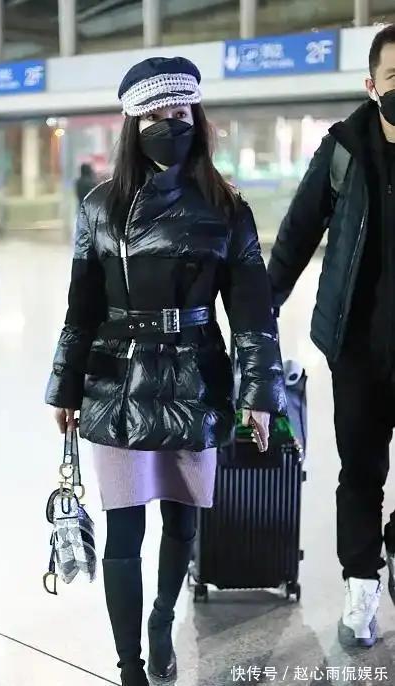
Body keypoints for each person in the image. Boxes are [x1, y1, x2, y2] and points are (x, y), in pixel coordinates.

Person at [46, 56, 285, 686]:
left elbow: (253, 313)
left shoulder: (227, 207)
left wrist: (259, 395)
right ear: (132, 123)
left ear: (196, 117)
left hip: (195, 377)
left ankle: (160, 620)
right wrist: (64, 384)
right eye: (153, 114)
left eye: (178, 112)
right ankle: (129, 664)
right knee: (123, 530)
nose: (167, 124)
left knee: (182, 520)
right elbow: (81, 305)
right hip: (116, 381)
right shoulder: (100, 206)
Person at [268, 23, 395, 649]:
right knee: (361, 472)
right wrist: (260, 313)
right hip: (358, 349)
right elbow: (297, 232)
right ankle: (361, 586)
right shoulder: (345, 149)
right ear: (373, 85)